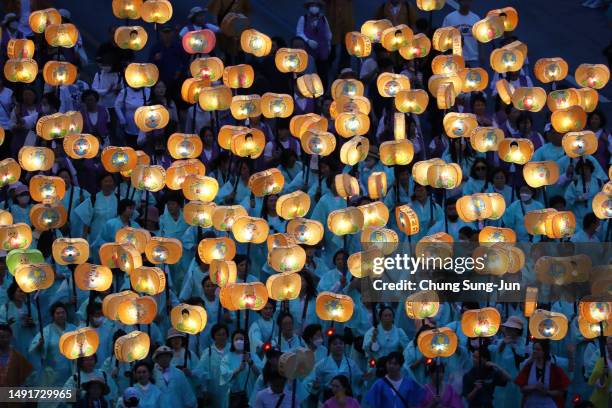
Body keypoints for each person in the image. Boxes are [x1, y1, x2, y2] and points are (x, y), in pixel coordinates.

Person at [29, 302, 77, 386]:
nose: (61, 315)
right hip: (53, 371)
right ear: (53, 315)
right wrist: (40, 345)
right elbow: (33, 350)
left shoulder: (73, 329)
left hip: (71, 369)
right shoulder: (46, 331)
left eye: (63, 313)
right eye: (58, 313)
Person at [515, 339, 571, 408]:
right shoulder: (528, 367)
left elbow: (561, 391)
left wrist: (547, 392)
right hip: (530, 404)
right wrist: (534, 387)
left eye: (538, 350)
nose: (535, 351)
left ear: (544, 352)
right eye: (534, 349)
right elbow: (522, 388)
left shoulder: (554, 369)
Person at [296, 1, 333, 88]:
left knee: (323, 73)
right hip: (309, 50)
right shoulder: (303, 18)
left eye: (316, 5)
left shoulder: (323, 18)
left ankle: (323, 93)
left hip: (322, 50)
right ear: (309, 7)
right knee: (309, 72)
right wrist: (308, 40)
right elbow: (299, 32)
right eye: (312, 5)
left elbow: (328, 32)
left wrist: (328, 44)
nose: (314, 7)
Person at [194, 323, 231, 407]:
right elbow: (202, 372)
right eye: (218, 334)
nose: (221, 337)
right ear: (214, 336)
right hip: (214, 391)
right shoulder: (208, 352)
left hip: (231, 391)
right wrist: (205, 390)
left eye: (223, 334)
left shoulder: (232, 349)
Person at [442, 0, 482, 66]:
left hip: (472, 58)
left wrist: (481, 55)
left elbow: (480, 40)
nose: (466, 2)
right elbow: (443, 38)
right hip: (454, 58)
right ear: (459, 1)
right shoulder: (449, 18)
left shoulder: (476, 19)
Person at [0, 323, 33, 388]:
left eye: (7, 336)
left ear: (11, 337)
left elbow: (25, 379)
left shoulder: (18, 357)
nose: (4, 339)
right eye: (1, 337)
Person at [587, 336, 612, 408]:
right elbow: (597, 384)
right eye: (608, 344)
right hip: (603, 400)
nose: (609, 347)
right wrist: (603, 374)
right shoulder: (602, 362)